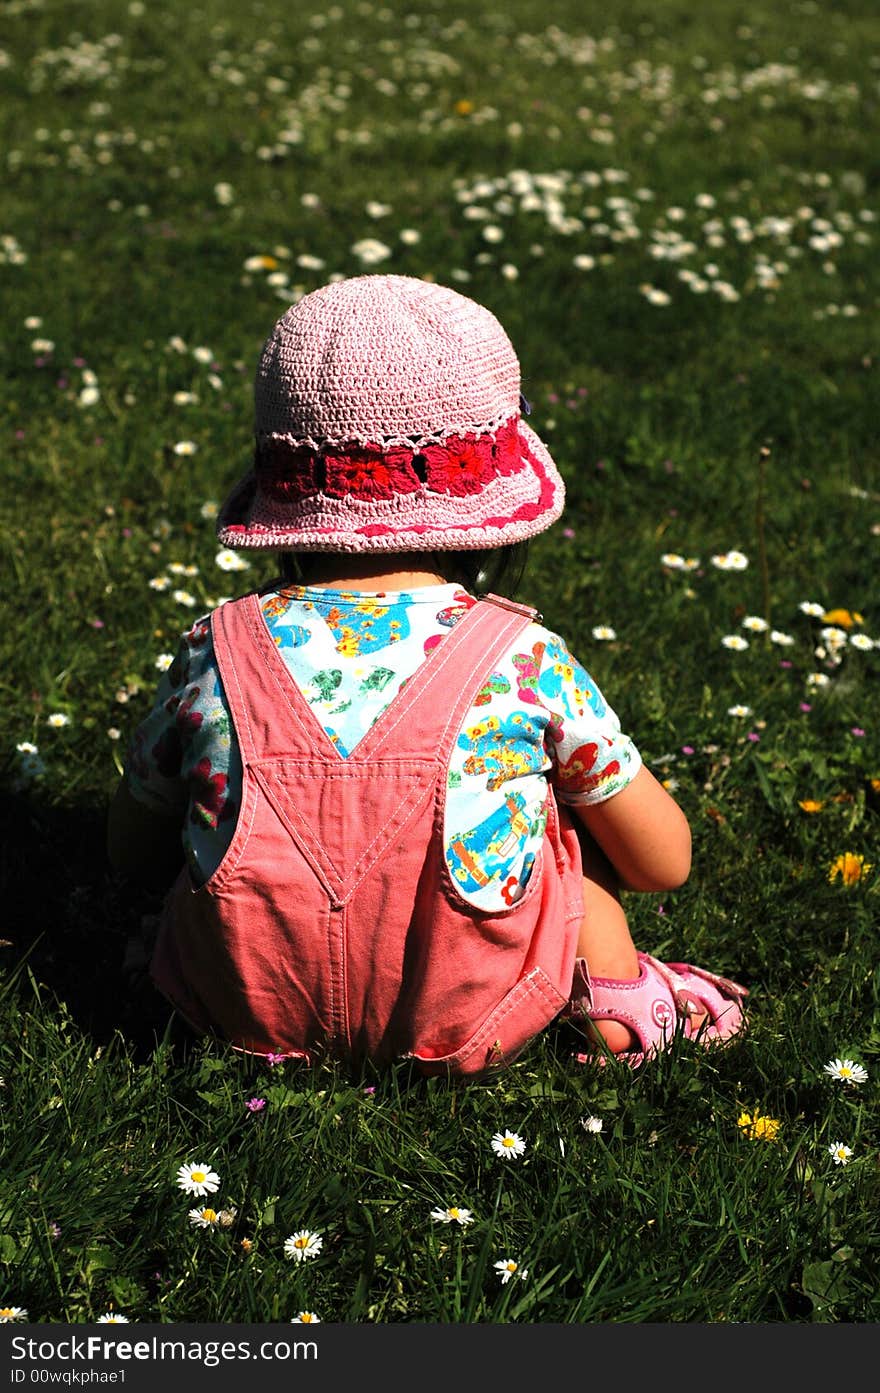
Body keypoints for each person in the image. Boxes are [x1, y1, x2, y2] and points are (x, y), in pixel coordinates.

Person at [107, 274, 747, 1075]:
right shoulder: (521, 660)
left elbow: (129, 853)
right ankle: (614, 999)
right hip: (474, 1013)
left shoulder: (217, 650)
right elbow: (666, 862)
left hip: (240, 1009)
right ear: (485, 511)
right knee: (569, 823)